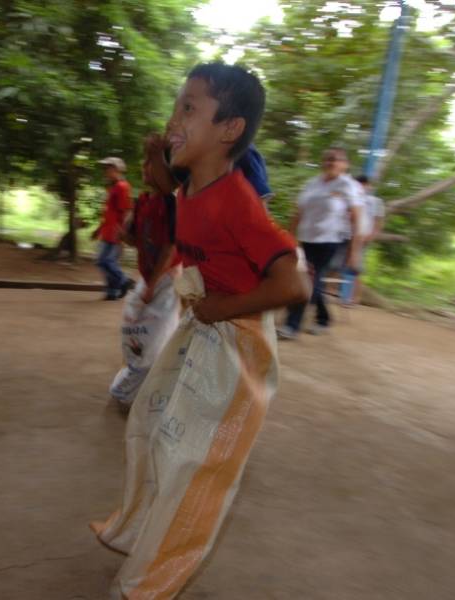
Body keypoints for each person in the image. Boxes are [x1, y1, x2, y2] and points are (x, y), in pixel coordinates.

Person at [92, 63, 309, 599]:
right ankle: (141, 530)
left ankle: (151, 582)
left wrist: (222, 308)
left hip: (239, 347)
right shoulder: (191, 185)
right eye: (176, 106)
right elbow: (164, 185)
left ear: (229, 129)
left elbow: (294, 284)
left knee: (198, 467)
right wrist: (155, 150)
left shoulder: (237, 202)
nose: (175, 118)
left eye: (190, 108)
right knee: (156, 425)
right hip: (203, 327)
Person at [109, 133, 181, 409]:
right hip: (150, 278)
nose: (143, 167)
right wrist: (124, 234)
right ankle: (141, 382)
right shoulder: (142, 202)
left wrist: (152, 283)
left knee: (153, 337)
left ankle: (149, 391)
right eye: (144, 161)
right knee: (136, 330)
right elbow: (136, 239)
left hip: (167, 279)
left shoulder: (171, 202)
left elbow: (170, 246)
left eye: (150, 162)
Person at [278, 146, 364, 339]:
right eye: (327, 158)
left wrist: (354, 251)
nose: (331, 162)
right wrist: (289, 238)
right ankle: (323, 318)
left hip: (331, 241)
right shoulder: (312, 184)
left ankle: (292, 326)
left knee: (308, 281)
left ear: (345, 164)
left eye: (336, 159)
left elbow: (357, 219)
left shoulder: (347, 185)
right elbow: (298, 212)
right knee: (311, 281)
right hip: (306, 239)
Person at [339, 174, 386, 305]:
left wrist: (371, 236)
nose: (361, 187)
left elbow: (379, 222)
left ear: (369, 186)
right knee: (337, 264)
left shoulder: (376, 201)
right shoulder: (349, 199)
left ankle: (355, 298)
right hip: (344, 235)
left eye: (364, 184)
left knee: (356, 268)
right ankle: (334, 292)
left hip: (362, 237)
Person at [92, 157, 134, 300]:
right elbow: (109, 213)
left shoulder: (122, 187)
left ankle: (124, 281)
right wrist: (98, 230)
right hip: (107, 231)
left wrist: (123, 233)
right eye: (105, 168)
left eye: (108, 168)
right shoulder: (113, 187)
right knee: (107, 262)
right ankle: (112, 291)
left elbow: (126, 212)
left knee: (104, 261)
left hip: (115, 233)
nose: (105, 171)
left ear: (116, 170)